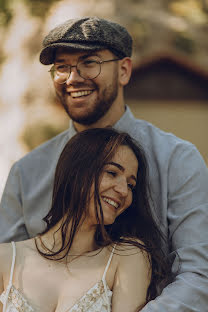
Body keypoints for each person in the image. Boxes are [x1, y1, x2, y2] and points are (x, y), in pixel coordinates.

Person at [0, 16, 207, 311]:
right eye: (62, 67)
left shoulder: (178, 159)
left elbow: (198, 277)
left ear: (123, 70)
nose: (73, 78)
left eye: (89, 62)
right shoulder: (27, 172)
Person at [0, 128, 171, 312]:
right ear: (77, 172)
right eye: (112, 173)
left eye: (131, 185)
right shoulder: (6, 258)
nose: (123, 191)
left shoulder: (127, 257)